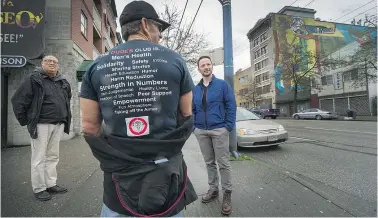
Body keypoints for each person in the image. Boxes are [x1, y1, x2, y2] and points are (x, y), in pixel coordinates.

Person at [79, 1, 197, 217]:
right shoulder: (175, 60)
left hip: (119, 174)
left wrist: (112, 157)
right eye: (158, 28)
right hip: (165, 170)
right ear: (144, 24)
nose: (160, 35)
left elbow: (89, 127)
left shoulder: (97, 65)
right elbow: (186, 114)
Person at [11, 55, 71, 201]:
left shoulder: (62, 81)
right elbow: (18, 100)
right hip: (41, 124)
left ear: (58, 66)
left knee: (53, 156)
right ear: (42, 64)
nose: (52, 63)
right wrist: (26, 121)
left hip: (57, 123)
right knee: (39, 157)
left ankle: (51, 184)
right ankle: (39, 188)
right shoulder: (34, 79)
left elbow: (68, 98)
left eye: (54, 62)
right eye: (48, 61)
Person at [192, 55, 236, 215]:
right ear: (199, 69)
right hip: (201, 131)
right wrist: (194, 128)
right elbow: (192, 110)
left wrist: (228, 127)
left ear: (212, 66)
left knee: (223, 163)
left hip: (219, 130)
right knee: (209, 162)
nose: (206, 67)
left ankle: (227, 194)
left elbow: (231, 105)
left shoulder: (222, 85)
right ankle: (213, 189)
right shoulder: (195, 89)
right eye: (202, 65)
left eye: (208, 64)